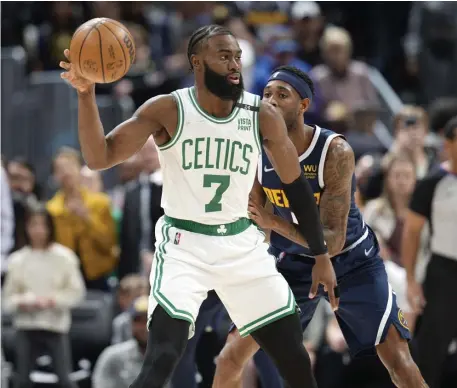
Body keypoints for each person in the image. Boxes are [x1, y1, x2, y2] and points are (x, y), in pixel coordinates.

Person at [59, 25, 338, 388]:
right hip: (184, 248)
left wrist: (320, 255)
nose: (235, 64)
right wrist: (86, 94)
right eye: (224, 56)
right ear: (197, 62)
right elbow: (99, 157)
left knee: (295, 358)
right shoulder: (168, 109)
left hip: (241, 246)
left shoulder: (261, 115)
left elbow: (297, 188)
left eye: (237, 56)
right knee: (162, 356)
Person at [212, 66, 427, 388]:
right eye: (267, 94)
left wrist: (273, 222)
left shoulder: (334, 151)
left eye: (282, 95)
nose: (270, 101)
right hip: (291, 261)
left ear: (303, 105)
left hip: (351, 260)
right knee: (230, 356)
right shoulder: (256, 150)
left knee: (397, 360)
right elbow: (256, 221)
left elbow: (333, 240)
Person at [3, 205, 86, 388]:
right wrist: (22, 302)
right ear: (26, 227)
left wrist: (52, 301)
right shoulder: (17, 260)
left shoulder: (65, 257)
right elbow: (7, 298)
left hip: (55, 324)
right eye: (33, 225)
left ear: (50, 228)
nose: (38, 230)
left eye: (43, 225)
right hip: (26, 324)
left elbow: (76, 292)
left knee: (64, 378)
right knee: (22, 379)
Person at [403, 116, 457, 388]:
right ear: (448, 144)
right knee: (431, 353)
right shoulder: (434, 182)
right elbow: (411, 232)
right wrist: (411, 280)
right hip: (444, 272)